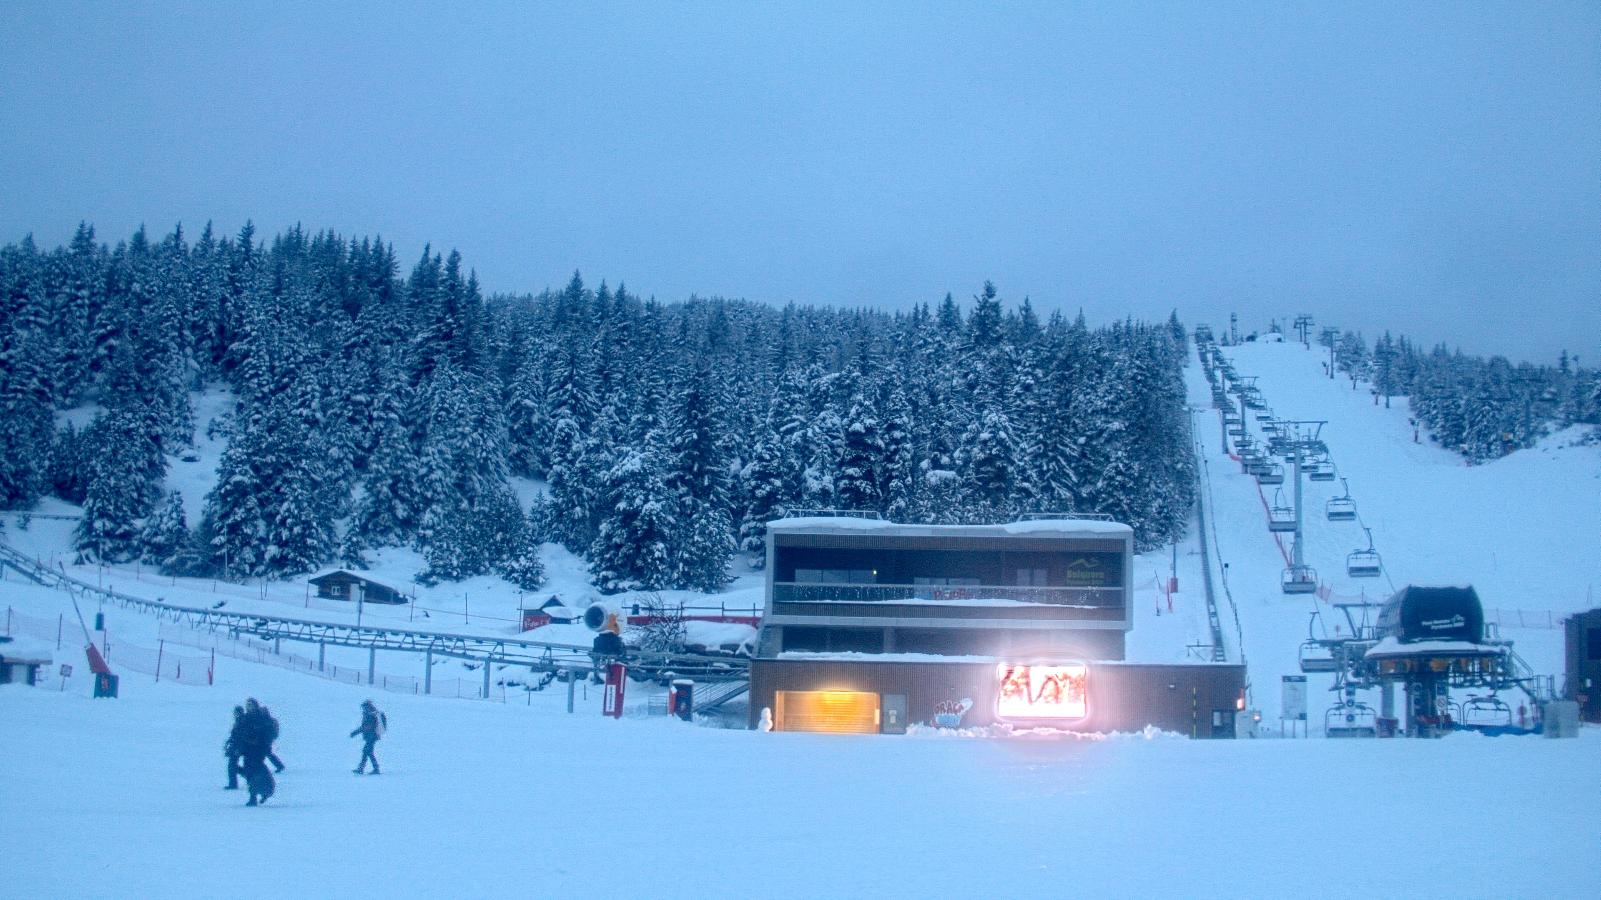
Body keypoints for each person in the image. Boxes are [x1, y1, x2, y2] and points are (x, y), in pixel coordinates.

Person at [237, 697, 276, 806]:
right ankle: (259, 793)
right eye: (247, 705)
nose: (249, 707)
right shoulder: (245, 718)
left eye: (251, 705)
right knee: (250, 773)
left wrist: (261, 744)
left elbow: (265, 735)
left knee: (255, 773)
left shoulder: (261, 719)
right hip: (247, 750)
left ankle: (258, 794)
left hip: (258, 751)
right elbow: (239, 733)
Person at [350, 700, 386, 775]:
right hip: (371, 736)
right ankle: (363, 768)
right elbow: (365, 727)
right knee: (367, 752)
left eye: (364, 707)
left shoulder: (370, 715)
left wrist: (355, 732)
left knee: (367, 752)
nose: (363, 709)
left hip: (371, 736)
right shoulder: (370, 714)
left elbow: (366, 727)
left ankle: (373, 769)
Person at [223, 705, 247, 790]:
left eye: (237, 712)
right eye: (235, 713)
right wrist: (229, 741)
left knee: (232, 765)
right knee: (232, 765)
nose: (235, 714)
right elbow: (234, 735)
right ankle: (245, 774)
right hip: (235, 746)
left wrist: (239, 748)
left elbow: (241, 737)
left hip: (238, 747)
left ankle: (234, 784)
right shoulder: (238, 721)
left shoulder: (242, 722)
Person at [258, 703, 286, 773]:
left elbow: (268, 731)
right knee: (268, 753)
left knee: (267, 753)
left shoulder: (267, 721)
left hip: (266, 740)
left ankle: (279, 766)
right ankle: (279, 765)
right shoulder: (267, 720)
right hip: (266, 740)